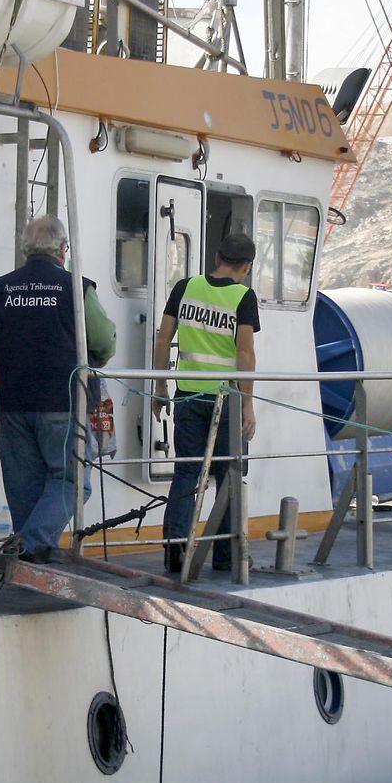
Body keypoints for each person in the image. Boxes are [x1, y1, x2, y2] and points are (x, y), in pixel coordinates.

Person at [0, 215, 117, 563]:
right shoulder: (76, 287)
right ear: (62, 249)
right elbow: (104, 341)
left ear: (25, 248)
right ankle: (31, 545)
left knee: (24, 486)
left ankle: (29, 559)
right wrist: (98, 357)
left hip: (13, 403)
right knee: (74, 480)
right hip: (64, 400)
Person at [152, 232, 260, 576]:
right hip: (225, 400)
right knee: (229, 474)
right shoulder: (244, 297)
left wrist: (159, 387)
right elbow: (245, 352)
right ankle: (226, 555)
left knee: (187, 471)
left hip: (187, 394)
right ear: (246, 266)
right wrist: (248, 405)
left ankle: (175, 550)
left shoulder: (185, 287)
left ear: (217, 257)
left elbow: (163, 337)